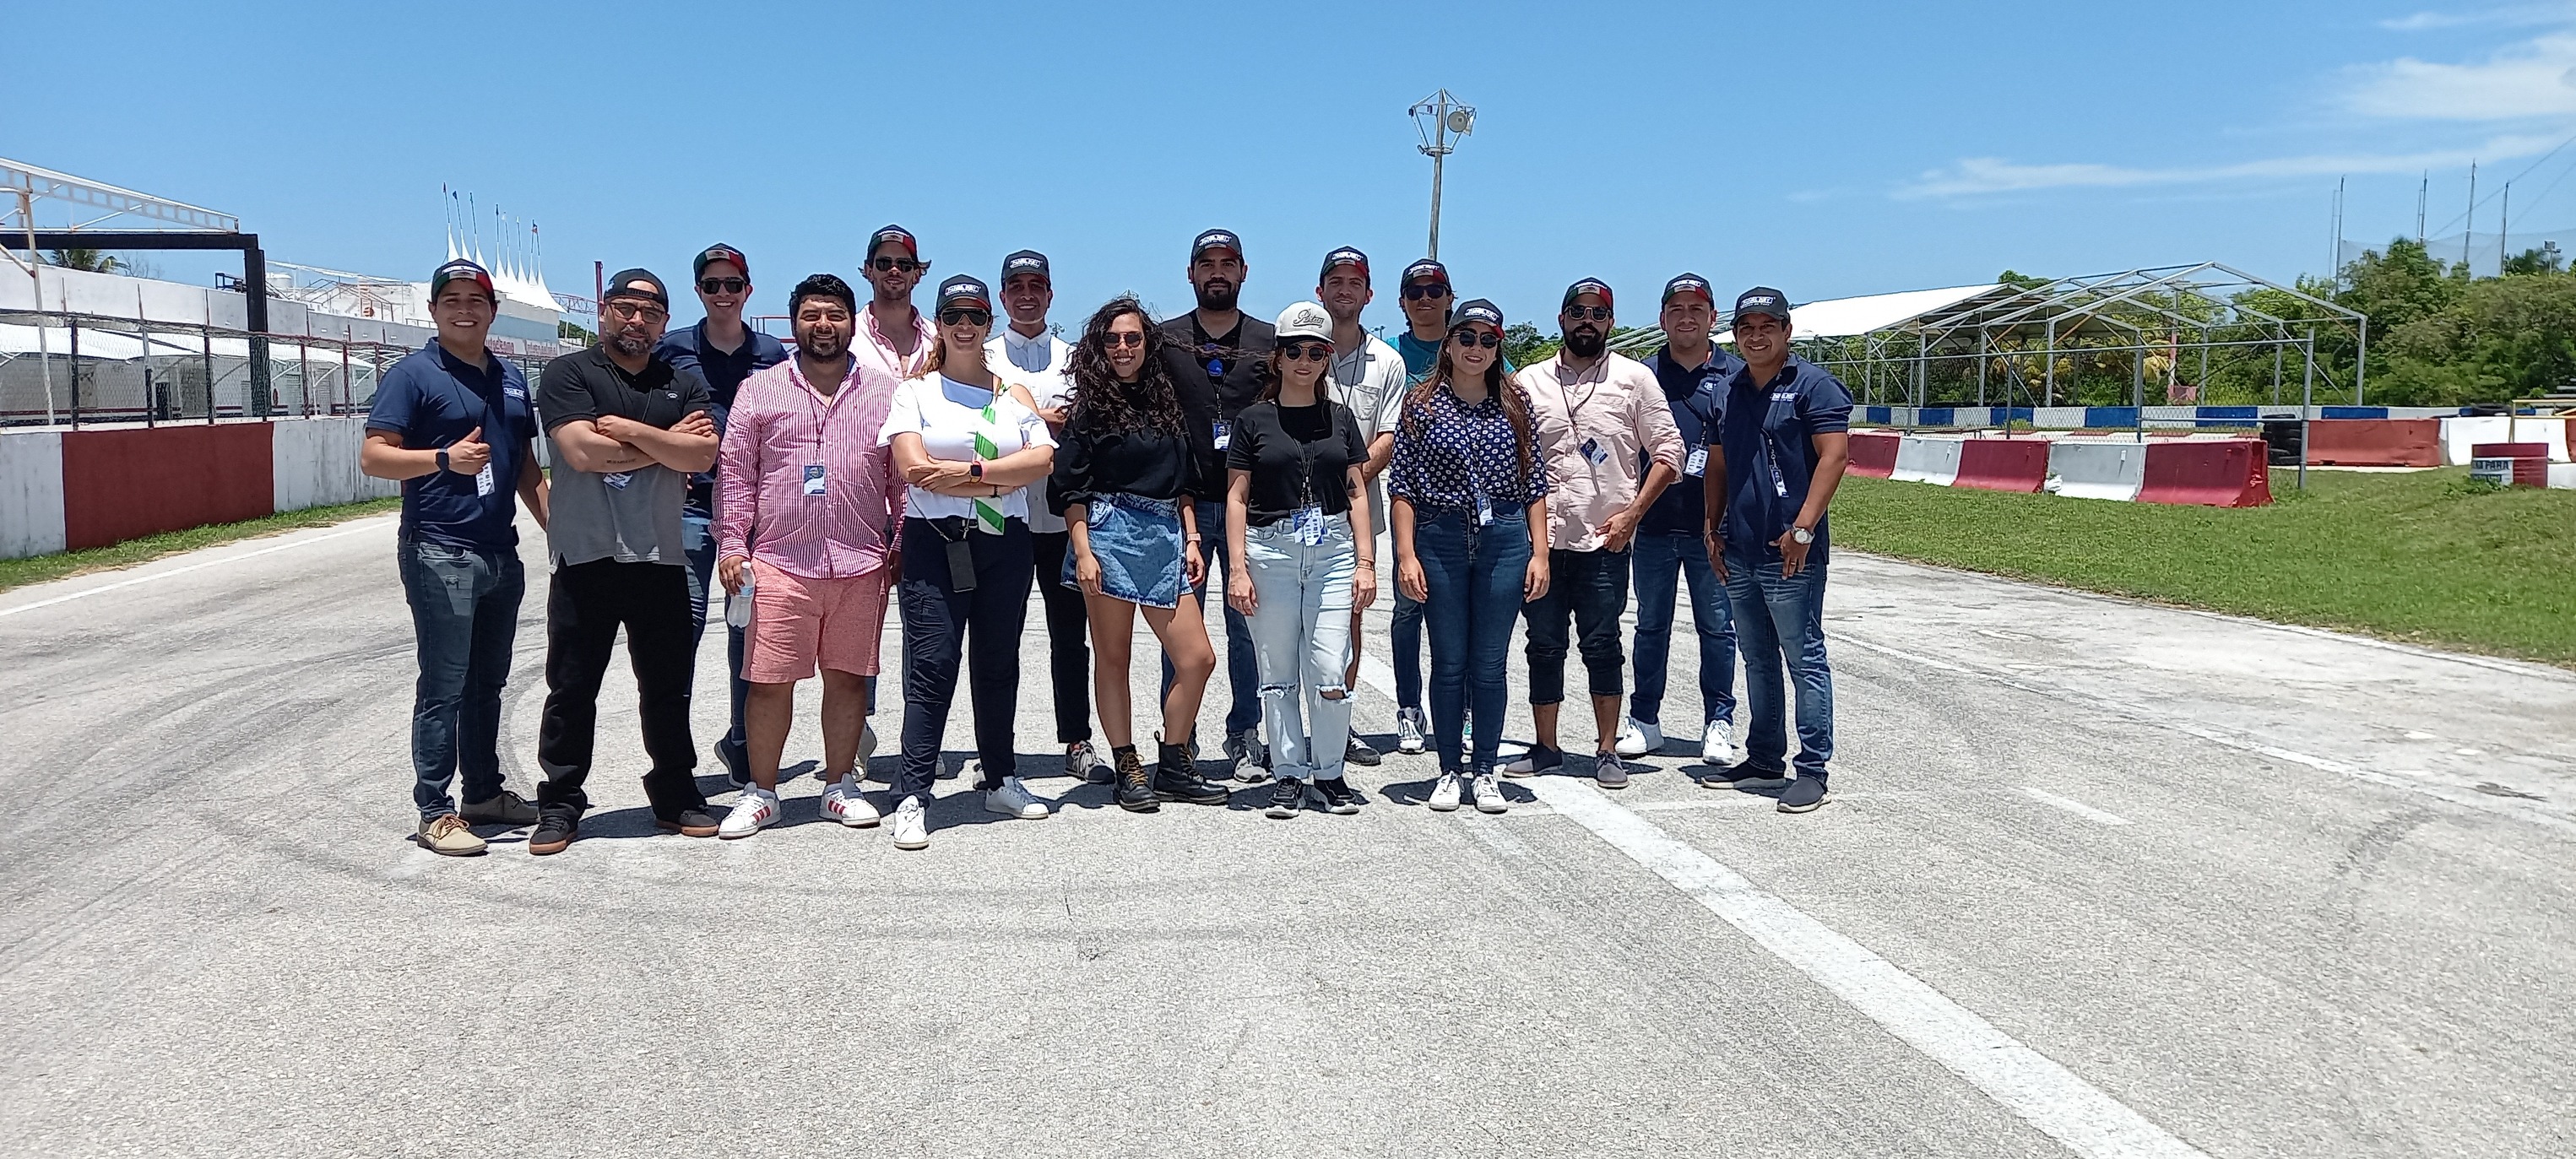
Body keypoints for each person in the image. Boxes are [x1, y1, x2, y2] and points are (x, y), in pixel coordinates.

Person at [527, 269, 724, 854]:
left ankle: (675, 791)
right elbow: (580, 451)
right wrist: (663, 445)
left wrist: (633, 430)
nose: (637, 319)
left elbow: (704, 450)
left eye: (650, 311)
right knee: (571, 686)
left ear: (664, 321)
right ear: (604, 312)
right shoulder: (569, 374)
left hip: (660, 554)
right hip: (586, 553)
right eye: (625, 308)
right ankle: (561, 801)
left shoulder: (682, 382)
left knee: (666, 686)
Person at [360, 258, 548, 857]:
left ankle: (484, 793)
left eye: (475, 298)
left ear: (493, 309)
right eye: (451, 299)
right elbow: (373, 456)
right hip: (439, 548)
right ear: (434, 309)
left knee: (487, 684)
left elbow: (522, 464)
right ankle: (433, 809)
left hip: (499, 552)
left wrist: (558, 531)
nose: (464, 308)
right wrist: (440, 459)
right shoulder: (412, 375)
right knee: (443, 683)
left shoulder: (512, 379)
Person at [713, 274, 905, 838]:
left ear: (853, 322)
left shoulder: (883, 390)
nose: (824, 325)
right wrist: (731, 543)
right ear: (794, 322)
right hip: (778, 561)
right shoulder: (760, 389)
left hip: (860, 561)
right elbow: (736, 475)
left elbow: (898, 476)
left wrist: (899, 545)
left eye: (835, 315)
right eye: (812, 315)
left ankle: (839, 786)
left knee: (847, 679)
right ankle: (762, 792)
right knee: (768, 681)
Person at [881, 276, 1060, 850]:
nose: (965, 325)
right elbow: (912, 466)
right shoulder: (917, 392)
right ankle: (912, 793)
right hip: (935, 541)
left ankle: (1000, 776)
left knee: (997, 661)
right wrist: (994, 476)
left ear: (988, 323)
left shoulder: (1013, 394)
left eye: (976, 316)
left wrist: (970, 474)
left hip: (1002, 541)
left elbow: (1040, 463)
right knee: (931, 666)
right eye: (953, 315)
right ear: (939, 322)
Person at [1503, 279, 1684, 789]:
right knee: (1543, 644)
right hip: (1539, 542)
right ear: (1561, 318)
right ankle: (1546, 747)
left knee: (1602, 643)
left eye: (1598, 313)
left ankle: (1607, 750)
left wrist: (1632, 515)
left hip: (1605, 539)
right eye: (1578, 312)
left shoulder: (1635, 380)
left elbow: (1671, 452)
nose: (1588, 321)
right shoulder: (1529, 383)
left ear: (1611, 321)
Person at [1055, 295, 1231, 811]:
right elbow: (1071, 489)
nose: (1123, 347)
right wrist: (1083, 552)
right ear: (1099, 347)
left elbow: (1183, 482)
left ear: (1147, 343)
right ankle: (1127, 764)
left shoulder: (1166, 402)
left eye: (1132, 337)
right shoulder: (1090, 407)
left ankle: (1174, 761)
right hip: (1108, 533)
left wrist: (1192, 539)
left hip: (1165, 535)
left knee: (1197, 659)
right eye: (1112, 339)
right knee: (1114, 659)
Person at [1390, 299, 1549, 816]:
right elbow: (1403, 487)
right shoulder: (1421, 404)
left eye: (1487, 339)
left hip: (1504, 536)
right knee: (1449, 661)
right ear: (1449, 344)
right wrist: (1405, 554)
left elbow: (1534, 484)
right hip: (1440, 536)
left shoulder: (1516, 403)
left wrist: (1540, 552)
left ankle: (1484, 770)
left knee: (1489, 663)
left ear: (1498, 346)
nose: (1476, 349)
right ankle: (1448, 770)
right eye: (1466, 338)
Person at [1700, 287, 1852, 814]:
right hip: (1738, 548)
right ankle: (1765, 756)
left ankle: (1813, 767)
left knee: (1804, 656)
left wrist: (1804, 529)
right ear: (1735, 334)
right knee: (1756, 658)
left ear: (1787, 331)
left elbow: (1834, 458)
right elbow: (1717, 465)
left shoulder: (1814, 386)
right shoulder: (1727, 389)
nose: (1757, 335)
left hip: (1791, 550)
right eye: (1747, 327)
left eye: (1769, 325)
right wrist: (1711, 527)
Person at [1226, 301, 1375, 820]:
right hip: (1271, 551)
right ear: (1279, 357)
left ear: (1328, 357)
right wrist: (1238, 567)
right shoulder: (1253, 420)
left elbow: (1357, 492)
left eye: (1316, 351)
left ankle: (1330, 774)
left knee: (1330, 668)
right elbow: (1236, 498)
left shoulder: (1341, 418)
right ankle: (1289, 775)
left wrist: (1366, 562)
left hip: (1333, 551)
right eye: (1294, 350)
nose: (1305, 360)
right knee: (1277, 672)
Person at [656, 243, 789, 788]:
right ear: (698, 292)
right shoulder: (672, 349)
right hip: (691, 506)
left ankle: (741, 744)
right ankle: (675, 757)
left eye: (732, 285)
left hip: (755, 514)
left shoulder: (773, 353)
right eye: (712, 285)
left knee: (747, 634)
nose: (723, 294)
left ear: (748, 291)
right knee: (680, 629)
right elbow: (647, 408)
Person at [1158, 229, 1274, 780]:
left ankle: (1245, 731)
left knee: (1246, 627)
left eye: (1228, 262)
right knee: (1181, 632)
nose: (1218, 272)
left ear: (1244, 271)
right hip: (1181, 505)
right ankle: (1177, 738)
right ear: (1191, 273)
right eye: (1207, 263)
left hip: (1248, 507)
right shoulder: (1165, 340)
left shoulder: (1271, 341)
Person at [986, 249, 1102, 783]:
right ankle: (997, 750)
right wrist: (1035, 418)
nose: (1027, 294)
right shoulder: (984, 358)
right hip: (1001, 515)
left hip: (1063, 518)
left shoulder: (1077, 357)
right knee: (998, 638)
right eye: (1016, 286)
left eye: (1037, 285)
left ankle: (1077, 740)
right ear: (1003, 295)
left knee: (1069, 636)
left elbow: (1091, 423)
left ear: (1051, 294)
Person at [1619, 274, 1742, 768]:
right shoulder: (1641, 375)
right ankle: (1644, 719)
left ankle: (1719, 722)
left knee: (1718, 628)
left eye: (1697, 309)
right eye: (1676, 309)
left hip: (1711, 529)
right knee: (1651, 626)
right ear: (1662, 318)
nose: (1686, 317)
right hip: (1652, 524)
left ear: (1713, 317)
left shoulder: (1736, 374)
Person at [1314, 247, 1404, 769]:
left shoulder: (1387, 362)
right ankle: (1280, 727)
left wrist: (1344, 483)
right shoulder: (1298, 346)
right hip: (1289, 508)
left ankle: (1338, 727)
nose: (1344, 290)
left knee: (1346, 623)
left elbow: (1388, 435)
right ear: (1321, 288)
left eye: (1355, 282)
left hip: (1355, 514)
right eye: (1336, 280)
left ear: (1369, 294)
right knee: (1291, 626)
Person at [1385, 258, 1451, 756]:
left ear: (1449, 297)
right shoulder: (1390, 358)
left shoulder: (1475, 346)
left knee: (1460, 617)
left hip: (1469, 510)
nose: (1425, 299)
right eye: (1415, 292)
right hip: (1410, 501)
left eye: (1435, 290)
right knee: (1408, 611)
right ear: (1402, 302)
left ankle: (1461, 709)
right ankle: (1409, 707)